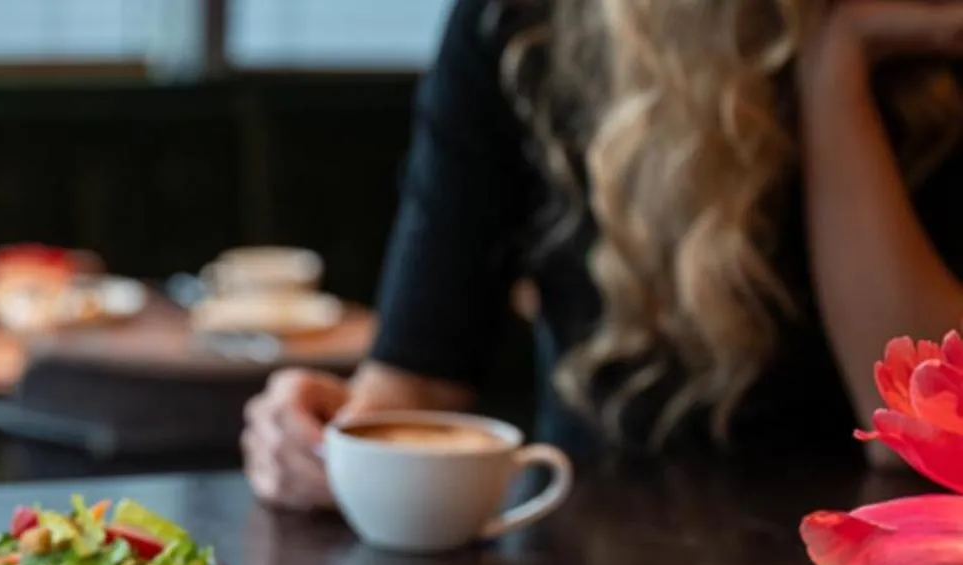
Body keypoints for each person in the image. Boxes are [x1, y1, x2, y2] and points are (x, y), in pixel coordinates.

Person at [245, 0, 963, 509]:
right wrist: (325, 441)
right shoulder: (521, 23)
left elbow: (928, 434)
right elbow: (420, 383)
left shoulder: (927, 41)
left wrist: (833, 66)